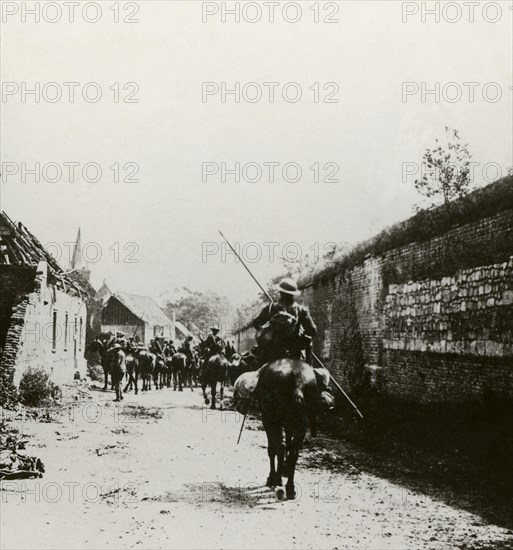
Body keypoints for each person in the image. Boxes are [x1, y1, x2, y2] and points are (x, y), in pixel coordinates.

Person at [252, 277, 316, 364]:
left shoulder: (270, 308)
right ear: (293, 294)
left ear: (280, 292)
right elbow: (312, 331)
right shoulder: (301, 310)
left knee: (256, 371)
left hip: (272, 353)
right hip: (294, 353)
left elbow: (256, 323)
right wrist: (299, 333)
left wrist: (267, 329)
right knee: (309, 341)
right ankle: (309, 365)